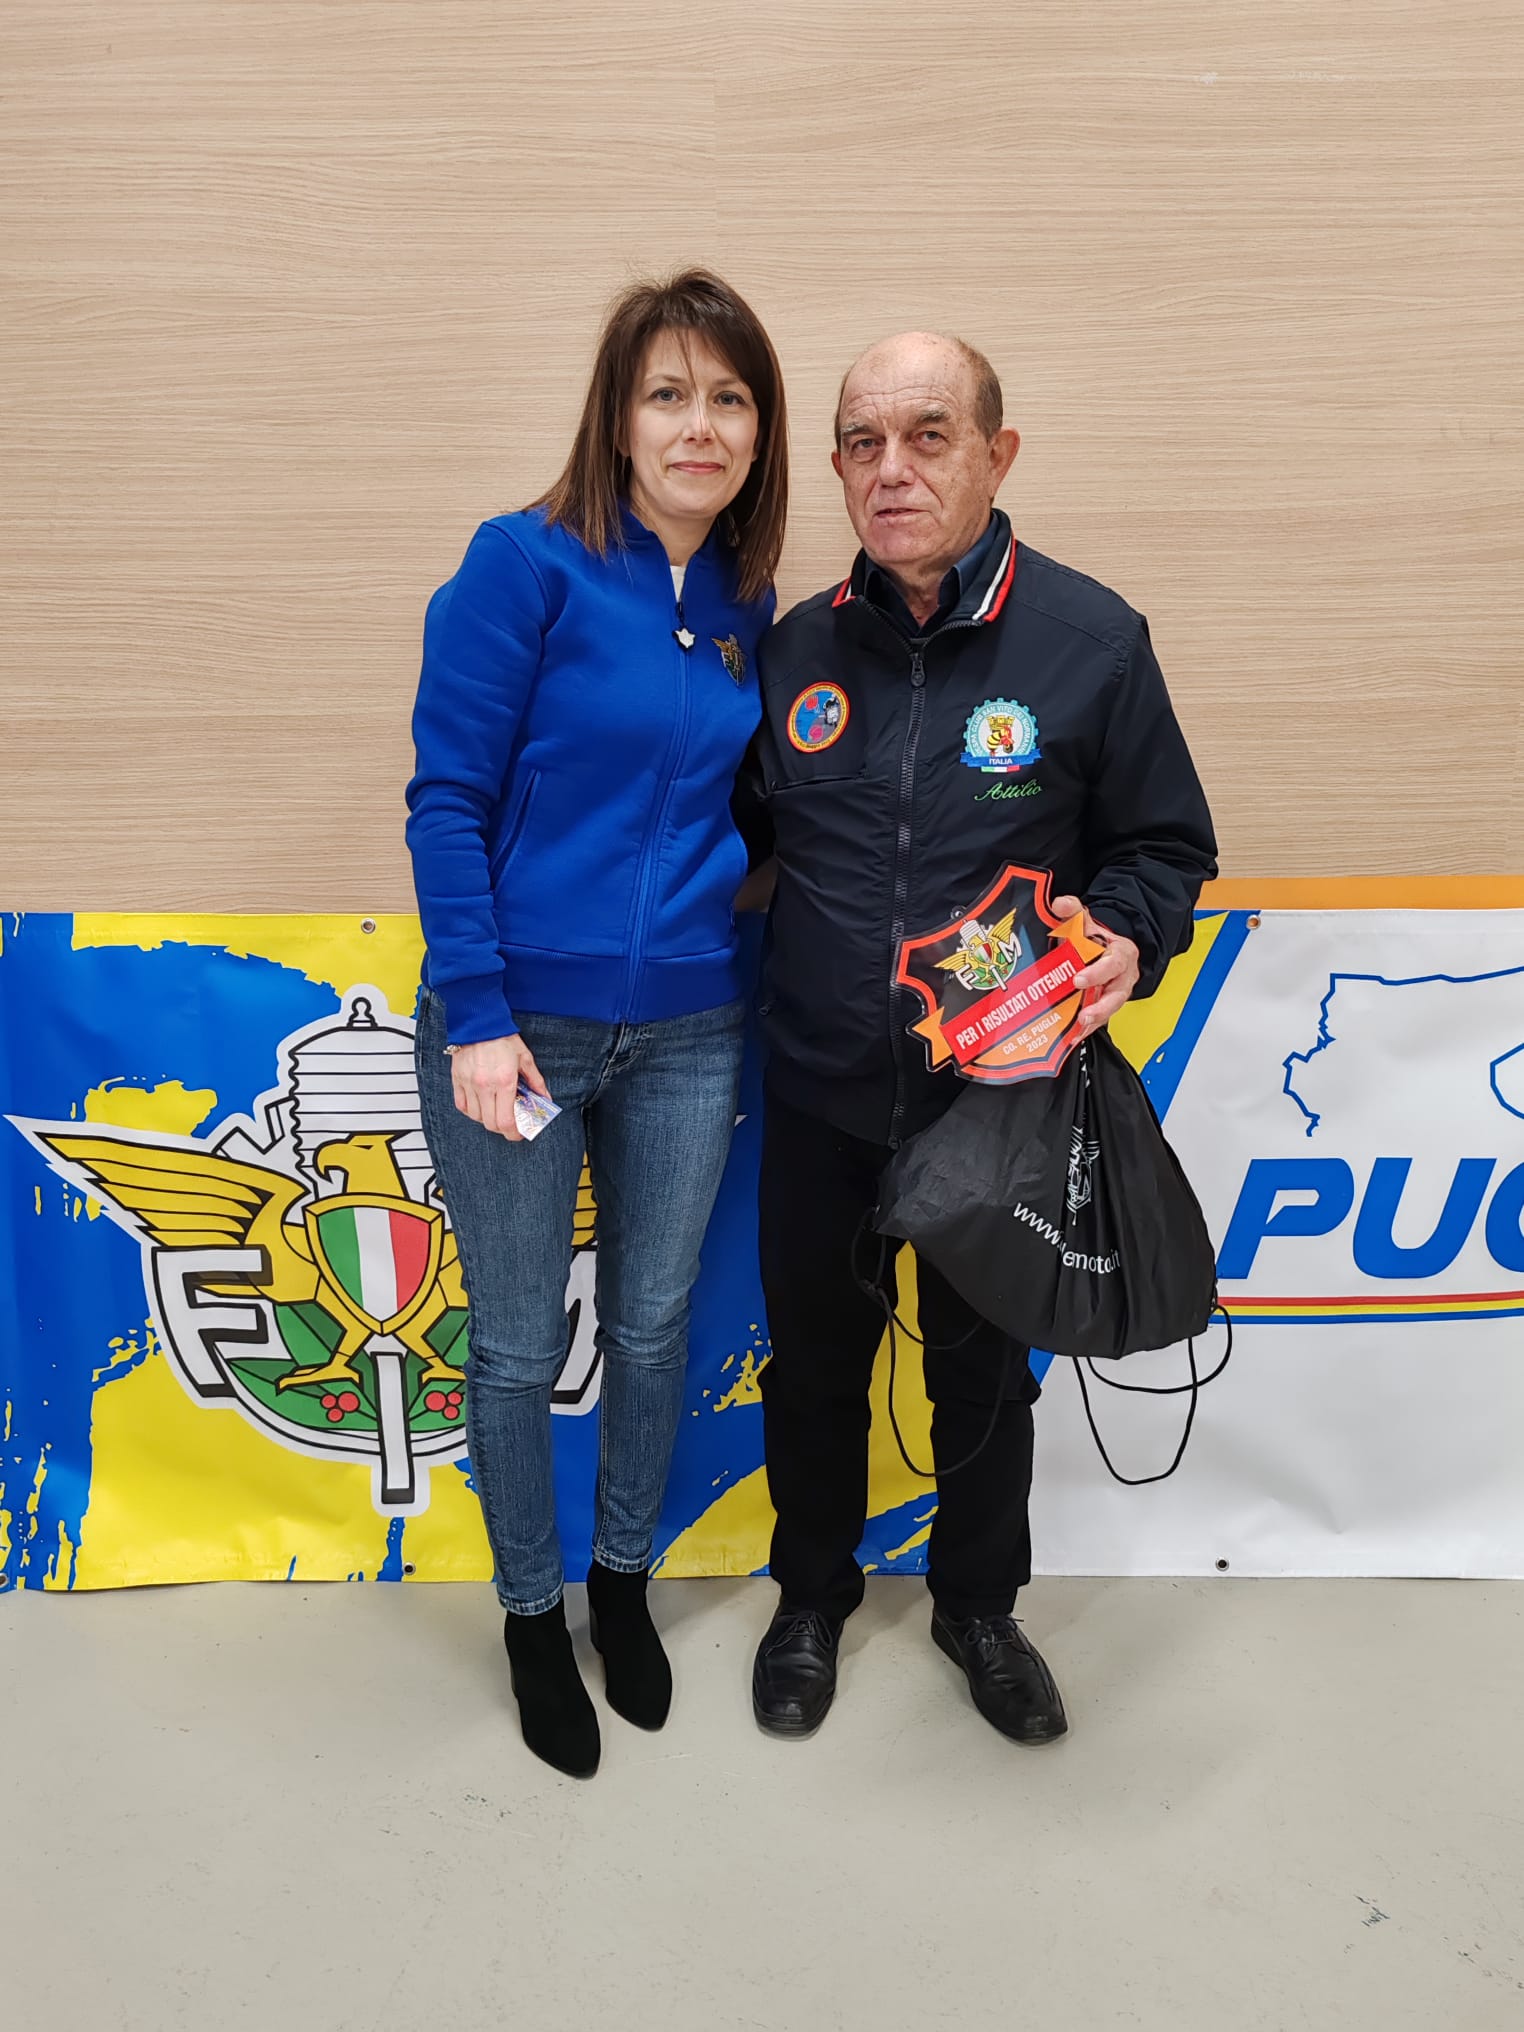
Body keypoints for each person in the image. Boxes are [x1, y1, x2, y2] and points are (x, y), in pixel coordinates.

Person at [739, 331, 1216, 1745]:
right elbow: (735, 841)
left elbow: (1163, 847)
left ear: (997, 456)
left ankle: (979, 1607)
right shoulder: (793, 651)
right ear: (837, 468)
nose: (891, 470)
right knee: (813, 1367)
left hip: (997, 1106)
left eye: (928, 435)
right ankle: (809, 1599)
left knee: (986, 1379)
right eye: (862, 442)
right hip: (818, 1091)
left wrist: (1127, 931)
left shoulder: (1091, 642)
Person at [406, 270, 786, 1778]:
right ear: (617, 416)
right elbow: (447, 799)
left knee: (651, 1324)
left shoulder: (750, 606)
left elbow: (741, 813)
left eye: (730, 398)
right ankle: (526, 1616)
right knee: (513, 1345)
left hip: (692, 1030)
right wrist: (478, 1011)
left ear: (759, 428)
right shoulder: (523, 564)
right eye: (668, 393)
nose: (701, 426)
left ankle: (620, 1583)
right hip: (518, 1033)